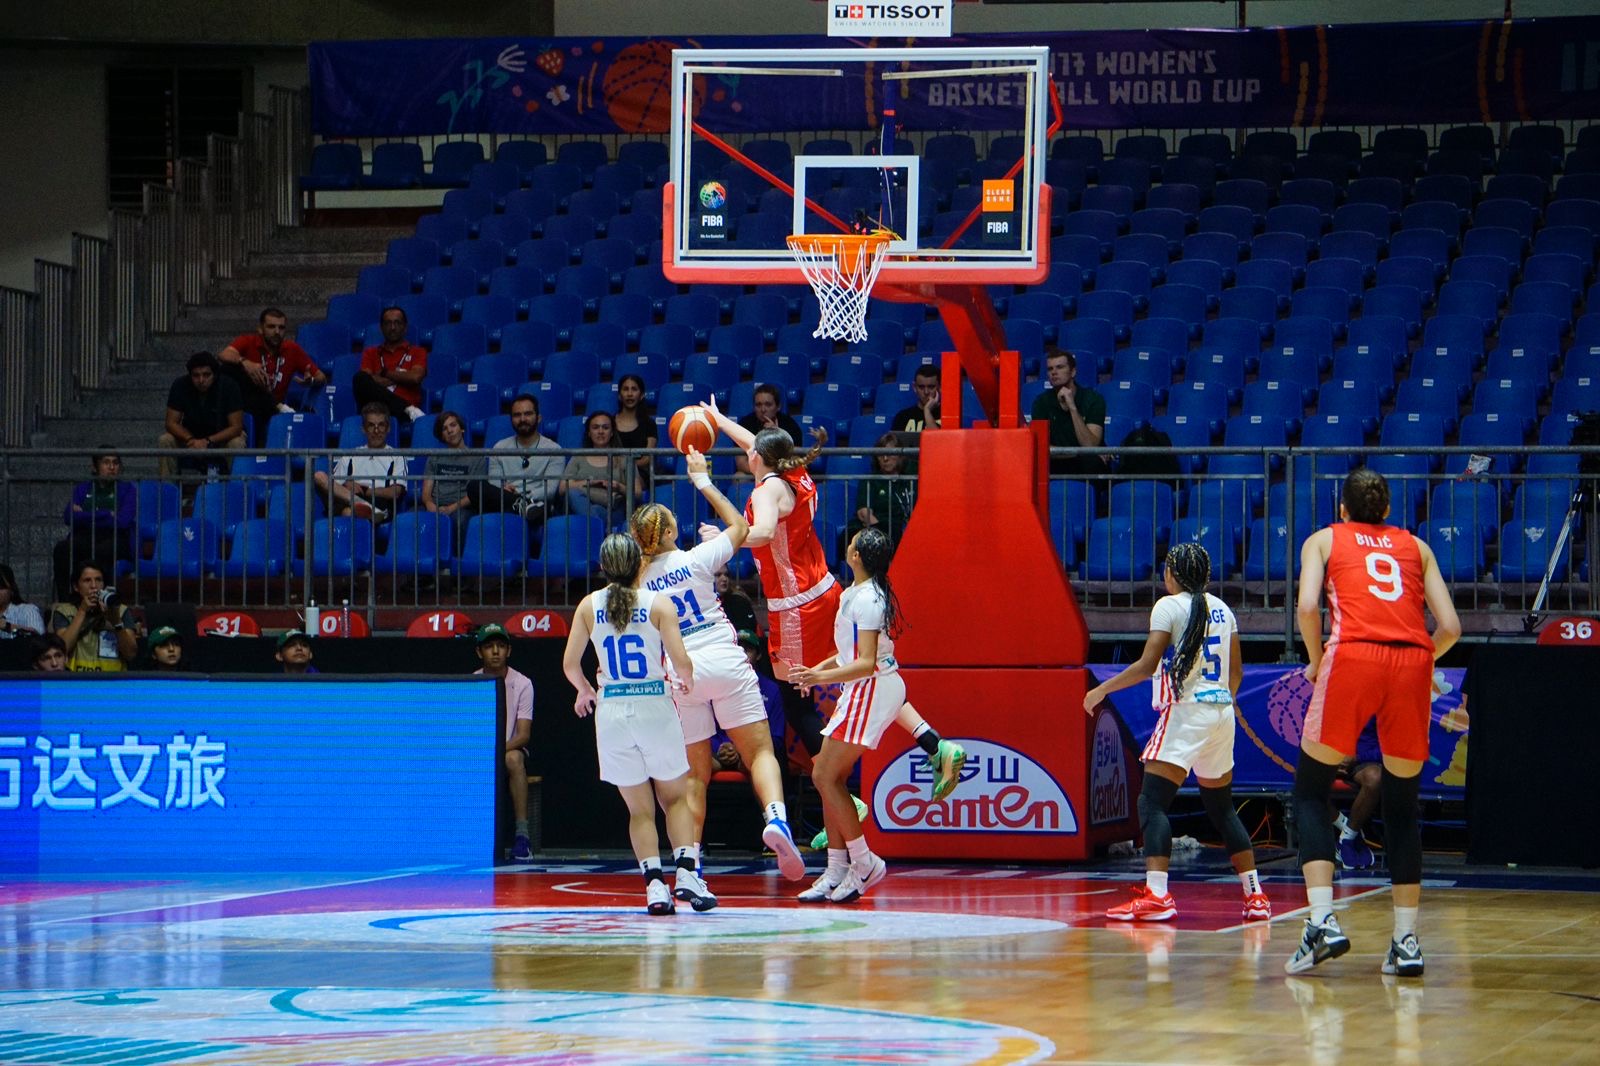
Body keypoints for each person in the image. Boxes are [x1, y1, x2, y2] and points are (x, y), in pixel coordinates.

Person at [699, 396, 968, 800]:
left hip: (795, 607)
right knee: (870, 676)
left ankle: (840, 794)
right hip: (825, 591)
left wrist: (722, 539)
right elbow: (757, 443)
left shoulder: (766, 492)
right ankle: (935, 744)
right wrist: (720, 421)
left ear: (758, 458)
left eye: (752, 449)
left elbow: (765, 532)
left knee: (796, 702)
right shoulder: (794, 469)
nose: (748, 449)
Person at [1286, 468, 1461, 978]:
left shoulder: (1324, 539)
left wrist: (1317, 660)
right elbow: (1451, 626)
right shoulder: (1417, 546)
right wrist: (1421, 662)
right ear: (1386, 510)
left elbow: (1307, 607)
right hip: (1411, 659)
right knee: (1402, 806)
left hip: (1354, 655)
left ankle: (1322, 922)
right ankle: (1406, 942)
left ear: (1342, 509)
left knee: (1310, 792)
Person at [632, 448, 805, 883]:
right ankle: (776, 818)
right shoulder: (696, 558)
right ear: (670, 531)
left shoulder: (639, 583)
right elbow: (742, 527)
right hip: (723, 658)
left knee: (694, 777)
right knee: (759, 751)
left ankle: (689, 865)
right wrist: (703, 480)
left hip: (681, 670)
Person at [1081, 543, 1272, 924]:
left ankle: (1157, 895)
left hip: (1187, 711)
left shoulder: (1168, 606)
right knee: (1222, 808)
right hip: (1221, 712)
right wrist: (1218, 703)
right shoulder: (1224, 609)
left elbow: (1146, 664)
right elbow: (1236, 673)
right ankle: (1255, 896)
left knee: (1151, 803)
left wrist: (1101, 690)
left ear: (1171, 574)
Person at [562, 533, 715, 916]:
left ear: (603, 567)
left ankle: (654, 887)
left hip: (612, 711)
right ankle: (687, 875)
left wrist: (584, 690)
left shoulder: (588, 605)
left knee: (639, 810)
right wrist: (686, 680)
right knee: (675, 798)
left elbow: (569, 664)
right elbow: (681, 661)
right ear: (639, 565)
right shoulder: (657, 603)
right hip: (654, 706)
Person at [788, 527, 906, 903]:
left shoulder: (868, 599)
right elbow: (846, 656)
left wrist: (818, 678)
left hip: (873, 686)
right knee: (829, 777)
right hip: (862, 687)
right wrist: (815, 671)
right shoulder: (854, 592)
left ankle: (864, 861)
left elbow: (866, 663)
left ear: (856, 556)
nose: (848, 542)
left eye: (852, 541)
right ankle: (837, 867)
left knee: (823, 775)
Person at [474, 622, 536, 862]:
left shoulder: (523, 683)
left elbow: (523, 735)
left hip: (508, 748)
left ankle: (522, 836)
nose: (495, 651)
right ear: (479, 652)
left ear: (508, 650)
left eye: (500, 646)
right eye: (489, 646)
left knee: (514, 759)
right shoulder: (472, 682)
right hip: (478, 750)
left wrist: (495, 750)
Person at [218, 307, 327, 441]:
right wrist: (245, 362)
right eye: (271, 327)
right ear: (260, 329)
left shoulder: (292, 349)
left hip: (269, 410)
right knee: (228, 369)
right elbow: (224, 355)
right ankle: (275, 406)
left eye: (281, 328)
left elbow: (321, 377)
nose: (277, 332)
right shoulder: (248, 341)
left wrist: (311, 381)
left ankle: (274, 407)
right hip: (247, 405)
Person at [51, 449, 137, 602]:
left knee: (102, 551)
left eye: (115, 463)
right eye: (106, 463)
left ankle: (102, 601)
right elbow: (69, 517)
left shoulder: (128, 489)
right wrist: (106, 514)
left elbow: (122, 521)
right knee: (62, 549)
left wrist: (84, 514)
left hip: (115, 537)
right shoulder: (83, 488)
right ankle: (66, 602)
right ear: (94, 467)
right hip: (85, 535)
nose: (112, 467)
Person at [158, 351, 245, 481]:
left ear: (214, 374)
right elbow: (171, 423)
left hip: (223, 437)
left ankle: (236, 487)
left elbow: (236, 427)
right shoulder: (180, 385)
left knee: (236, 443)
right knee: (165, 440)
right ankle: (167, 489)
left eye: (206, 375)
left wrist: (208, 441)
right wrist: (190, 439)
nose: (201, 380)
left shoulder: (229, 386)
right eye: (196, 375)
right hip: (191, 437)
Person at [312, 403, 407, 521]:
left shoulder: (397, 456)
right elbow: (334, 486)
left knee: (347, 513)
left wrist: (366, 491)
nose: (376, 430)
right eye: (371, 425)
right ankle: (357, 503)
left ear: (388, 429)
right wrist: (347, 484)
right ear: (363, 429)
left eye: (381, 425)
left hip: (378, 504)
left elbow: (395, 492)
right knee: (319, 476)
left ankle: (365, 508)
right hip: (347, 500)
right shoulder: (350, 455)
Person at [491, 393, 565, 527]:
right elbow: (494, 483)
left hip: (537, 505)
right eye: (517, 415)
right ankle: (520, 507)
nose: (522, 419)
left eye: (528, 414)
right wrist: (505, 492)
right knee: (474, 487)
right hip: (505, 502)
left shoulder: (554, 449)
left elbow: (550, 490)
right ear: (511, 419)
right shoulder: (499, 448)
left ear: (539, 418)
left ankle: (522, 507)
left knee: (540, 509)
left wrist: (521, 496)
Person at [1029, 347, 1106, 477]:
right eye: (1050, 369)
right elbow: (1042, 447)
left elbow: (1089, 446)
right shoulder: (1041, 402)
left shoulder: (1094, 399)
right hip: (1056, 463)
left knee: (1092, 463)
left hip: (1085, 466)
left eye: (1060, 367)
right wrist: (1077, 453)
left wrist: (1072, 407)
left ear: (1073, 372)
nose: (1054, 372)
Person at [422, 410, 495, 547]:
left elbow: (474, 494)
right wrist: (429, 504)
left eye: (453, 425)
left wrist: (451, 508)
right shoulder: (434, 457)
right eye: (444, 429)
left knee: (460, 520)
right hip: (436, 505)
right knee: (412, 517)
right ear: (441, 436)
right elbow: (426, 491)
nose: (450, 431)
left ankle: (457, 559)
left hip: (462, 507)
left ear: (462, 428)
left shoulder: (476, 458)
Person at [49, 561, 138, 672]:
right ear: (76, 587)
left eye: (98, 580)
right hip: (76, 677)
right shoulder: (65, 611)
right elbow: (63, 649)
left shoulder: (121, 610)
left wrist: (117, 622)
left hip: (112, 678)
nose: (94, 586)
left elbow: (130, 654)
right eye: (87, 580)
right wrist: (82, 611)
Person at [562, 411, 641, 523]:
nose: (600, 431)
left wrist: (619, 487)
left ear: (612, 432)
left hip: (614, 512)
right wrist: (590, 482)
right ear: (589, 433)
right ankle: (597, 526)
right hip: (582, 509)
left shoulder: (624, 458)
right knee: (575, 495)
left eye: (605, 428)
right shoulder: (578, 457)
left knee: (595, 510)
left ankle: (595, 527)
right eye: (595, 427)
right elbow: (562, 488)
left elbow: (637, 493)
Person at [843, 432, 916, 552]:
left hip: (897, 527)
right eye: (881, 455)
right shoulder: (870, 480)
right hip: (876, 526)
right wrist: (879, 535)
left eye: (889, 453)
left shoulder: (911, 477)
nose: (885, 459)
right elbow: (864, 513)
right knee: (847, 535)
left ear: (899, 455)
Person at [354, 306, 427, 424]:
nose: (393, 327)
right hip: (376, 412)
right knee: (359, 378)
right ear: (381, 328)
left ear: (405, 327)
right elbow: (366, 381)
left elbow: (415, 377)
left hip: (401, 416)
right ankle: (407, 408)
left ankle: (406, 409)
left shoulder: (418, 352)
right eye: (388, 323)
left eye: (397, 323)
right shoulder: (371, 353)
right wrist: (402, 376)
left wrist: (385, 373)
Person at [1334, 720, 1382, 870]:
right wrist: (1332, 758)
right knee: (1303, 779)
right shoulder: (1325, 705)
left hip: (1364, 761)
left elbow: (1390, 748)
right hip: (1330, 758)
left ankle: (1346, 839)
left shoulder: (1380, 706)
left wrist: (1357, 757)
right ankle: (1350, 829)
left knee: (1375, 777)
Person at [734, 384, 803, 475]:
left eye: (768, 405)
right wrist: (763, 473)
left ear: (778, 407)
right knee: (739, 476)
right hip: (754, 472)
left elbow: (795, 459)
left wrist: (778, 436)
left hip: (781, 472)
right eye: (758, 405)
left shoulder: (789, 425)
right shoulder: (745, 424)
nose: (763, 409)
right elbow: (741, 463)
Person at [612, 373, 659, 487]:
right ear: (619, 395)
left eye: (634, 389)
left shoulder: (649, 424)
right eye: (625, 389)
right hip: (613, 470)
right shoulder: (610, 422)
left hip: (639, 472)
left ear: (641, 395)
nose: (629, 394)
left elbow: (647, 459)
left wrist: (626, 466)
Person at [888, 363, 941, 433]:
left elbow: (936, 439)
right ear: (914, 387)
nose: (926, 392)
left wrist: (927, 411)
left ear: (939, 387)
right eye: (921, 387)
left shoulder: (946, 416)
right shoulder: (902, 417)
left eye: (931, 387)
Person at [0, 563, 47, 640]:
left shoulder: (27, 611)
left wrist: (7, 626)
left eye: (1, 587)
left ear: (12, 590)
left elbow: (39, 640)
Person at [714, 566, 758, 636]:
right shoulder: (701, 604)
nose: (725, 579)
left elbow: (748, 632)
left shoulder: (739, 601)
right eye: (718, 575)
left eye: (726, 575)